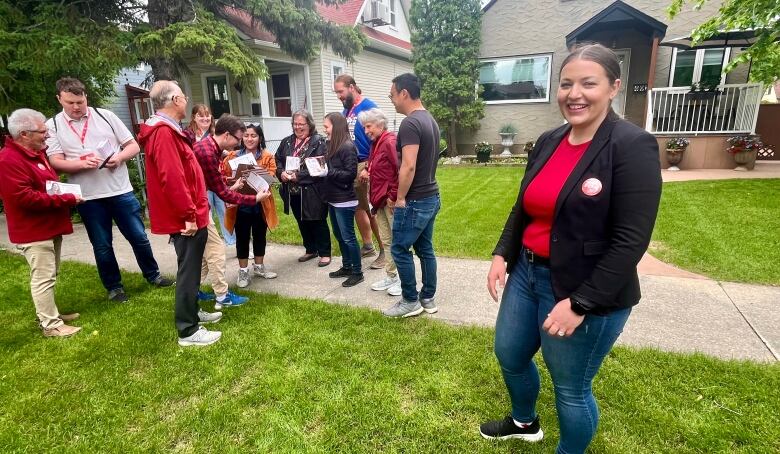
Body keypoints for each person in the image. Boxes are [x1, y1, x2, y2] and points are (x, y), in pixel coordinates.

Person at [479, 44, 662, 454]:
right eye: (566, 84)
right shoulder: (548, 140)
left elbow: (630, 240)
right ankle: (524, 423)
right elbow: (523, 205)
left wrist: (579, 303)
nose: (574, 93)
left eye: (588, 83)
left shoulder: (631, 146)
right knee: (509, 354)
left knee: (571, 388)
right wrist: (501, 254)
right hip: (527, 275)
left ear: (613, 87)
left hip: (586, 288)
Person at [45, 77, 173, 304]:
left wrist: (119, 157)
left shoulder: (105, 116)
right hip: (88, 196)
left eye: (80, 101)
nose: (76, 107)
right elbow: (55, 161)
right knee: (102, 245)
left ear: (86, 97)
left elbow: (132, 145)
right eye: (70, 102)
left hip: (120, 190)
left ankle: (153, 275)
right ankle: (114, 287)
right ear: (59, 99)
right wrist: (80, 164)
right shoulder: (52, 125)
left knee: (139, 237)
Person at [137, 80, 222, 347]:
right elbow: (171, 178)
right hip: (186, 216)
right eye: (184, 96)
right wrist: (188, 214)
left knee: (193, 266)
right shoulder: (163, 132)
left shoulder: (169, 130)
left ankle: (193, 311)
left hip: (190, 211)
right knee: (188, 269)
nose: (186, 99)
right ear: (175, 101)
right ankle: (188, 330)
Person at [0, 108, 83, 337]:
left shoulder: (36, 154)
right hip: (34, 232)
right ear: (24, 134)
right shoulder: (8, 160)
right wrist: (67, 198)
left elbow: (45, 186)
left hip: (49, 226)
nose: (47, 135)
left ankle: (51, 313)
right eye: (42, 131)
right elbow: (24, 198)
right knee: (43, 277)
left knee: (51, 272)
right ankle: (51, 325)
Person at [192, 114, 271, 309]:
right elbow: (223, 194)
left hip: (196, 205)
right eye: (239, 138)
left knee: (201, 255)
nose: (240, 142)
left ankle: (193, 291)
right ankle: (222, 297)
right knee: (216, 252)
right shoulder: (208, 152)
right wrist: (254, 198)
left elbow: (215, 183)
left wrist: (232, 186)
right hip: (194, 208)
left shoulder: (207, 147)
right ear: (227, 135)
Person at [382, 73, 441, 318]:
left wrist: (401, 198)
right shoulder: (430, 120)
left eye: (392, 95)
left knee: (399, 249)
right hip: (431, 195)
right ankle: (427, 298)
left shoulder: (410, 123)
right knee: (425, 249)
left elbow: (408, 166)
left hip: (415, 199)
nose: (392, 100)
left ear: (404, 93)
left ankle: (410, 301)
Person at [333, 74, 385, 268]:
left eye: (341, 91)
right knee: (357, 207)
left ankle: (384, 251)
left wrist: (370, 166)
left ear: (352, 87)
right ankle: (368, 245)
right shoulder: (347, 110)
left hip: (365, 163)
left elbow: (378, 139)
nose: (339, 95)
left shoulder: (369, 107)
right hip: (351, 165)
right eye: (337, 92)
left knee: (372, 209)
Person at [274, 110, 331, 266]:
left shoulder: (319, 142)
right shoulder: (286, 142)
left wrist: (298, 176)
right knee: (301, 220)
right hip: (292, 191)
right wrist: (281, 173)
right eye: (295, 124)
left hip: (313, 190)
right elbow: (277, 159)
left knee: (317, 220)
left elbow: (320, 167)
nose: (297, 127)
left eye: (301, 124)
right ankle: (311, 249)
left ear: (309, 124)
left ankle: (325, 252)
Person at [357, 108, 401, 297]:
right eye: (364, 127)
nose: (366, 131)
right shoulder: (376, 143)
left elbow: (401, 170)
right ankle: (391, 276)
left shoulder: (390, 141)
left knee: (398, 242)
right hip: (379, 201)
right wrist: (367, 169)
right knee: (387, 241)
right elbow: (376, 163)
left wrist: (393, 196)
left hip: (389, 201)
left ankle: (404, 280)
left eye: (368, 126)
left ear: (380, 124)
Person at [318, 113, 363, 287]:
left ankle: (357, 272)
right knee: (339, 235)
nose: (324, 129)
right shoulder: (331, 145)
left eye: (327, 126)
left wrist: (329, 172)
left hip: (345, 200)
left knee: (348, 237)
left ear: (335, 127)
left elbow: (350, 174)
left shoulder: (347, 146)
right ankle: (347, 266)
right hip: (333, 198)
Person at [232, 124, 279, 288]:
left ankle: (259, 267)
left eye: (253, 135)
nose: (249, 139)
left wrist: (256, 171)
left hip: (261, 203)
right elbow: (226, 177)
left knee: (260, 235)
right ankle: (243, 271)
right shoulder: (234, 155)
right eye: (246, 135)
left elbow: (272, 176)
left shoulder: (267, 156)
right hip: (241, 204)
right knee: (242, 237)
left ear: (259, 138)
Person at [184, 104, 235, 246]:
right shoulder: (188, 135)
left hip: (216, 178)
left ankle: (231, 242)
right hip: (200, 182)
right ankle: (208, 245)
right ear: (194, 117)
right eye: (201, 115)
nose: (205, 118)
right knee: (207, 214)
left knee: (224, 211)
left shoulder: (215, 133)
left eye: (207, 115)